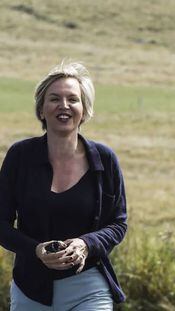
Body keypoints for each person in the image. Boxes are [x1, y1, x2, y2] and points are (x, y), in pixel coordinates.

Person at [0, 61, 127, 310]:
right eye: (54, 99)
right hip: (31, 290)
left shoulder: (105, 159)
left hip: (89, 287)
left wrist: (86, 244)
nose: (64, 106)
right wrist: (35, 250)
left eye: (73, 99)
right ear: (41, 109)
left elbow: (118, 224)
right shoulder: (20, 156)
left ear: (84, 109)